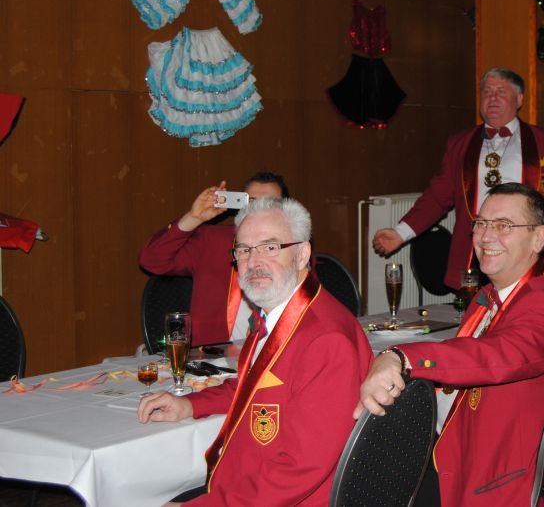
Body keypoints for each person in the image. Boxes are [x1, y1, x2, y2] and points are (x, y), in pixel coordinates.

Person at [357, 183, 544, 506]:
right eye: (481, 223)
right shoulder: (490, 294)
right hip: (459, 437)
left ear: (538, 238)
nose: (486, 236)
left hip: (493, 470)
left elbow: (499, 355)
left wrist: (403, 357)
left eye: (503, 225)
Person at [138, 197, 372, 506]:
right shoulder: (278, 314)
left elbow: (300, 469)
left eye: (270, 247)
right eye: (244, 250)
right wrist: (190, 405)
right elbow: (255, 386)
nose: (254, 261)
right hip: (248, 484)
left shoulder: (325, 339)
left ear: (302, 254)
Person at [372, 68, 544, 289]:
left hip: (528, 252)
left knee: (530, 316)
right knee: (478, 318)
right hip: (477, 252)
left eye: (501, 92)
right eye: (486, 92)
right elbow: (437, 196)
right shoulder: (460, 143)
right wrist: (400, 233)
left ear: (519, 99)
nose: (492, 98)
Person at [139, 172, 289, 346]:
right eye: (252, 203)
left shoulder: (293, 249)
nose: (261, 211)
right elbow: (151, 259)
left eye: (270, 204)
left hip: (278, 352)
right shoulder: (213, 241)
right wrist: (194, 217)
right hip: (217, 357)